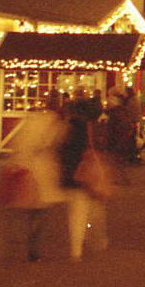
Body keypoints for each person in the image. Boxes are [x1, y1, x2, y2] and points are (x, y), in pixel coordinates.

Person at [9, 94, 65, 261]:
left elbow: (19, 143)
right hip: (43, 171)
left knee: (27, 208)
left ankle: (20, 239)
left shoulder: (32, 121)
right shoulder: (55, 125)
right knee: (41, 213)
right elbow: (54, 146)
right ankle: (33, 247)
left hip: (27, 169)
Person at [58, 95, 108, 260]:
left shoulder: (66, 128)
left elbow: (60, 151)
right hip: (85, 174)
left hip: (70, 175)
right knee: (88, 210)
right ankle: (88, 241)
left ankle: (77, 247)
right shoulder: (88, 129)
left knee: (76, 213)